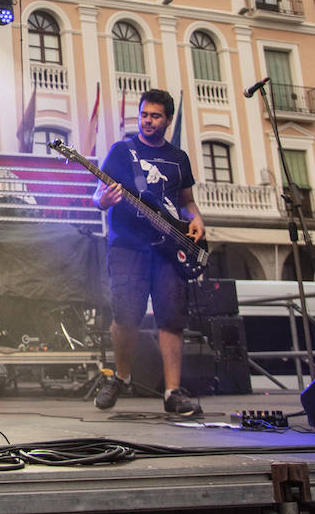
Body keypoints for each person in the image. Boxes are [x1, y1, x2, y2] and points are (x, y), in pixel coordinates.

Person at [92, 89, 205, 416]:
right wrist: (105, 202)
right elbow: (97, 196)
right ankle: (121, 376)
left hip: (170, 248)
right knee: (125, 314)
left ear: (167, 120)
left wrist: (196, 219)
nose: (148, 121)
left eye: (155, 116)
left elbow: (186, 202)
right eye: (144, 115)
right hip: (128, 244)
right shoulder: (122, 152)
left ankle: (172, 392)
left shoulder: (178, 158)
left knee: (171, 316)